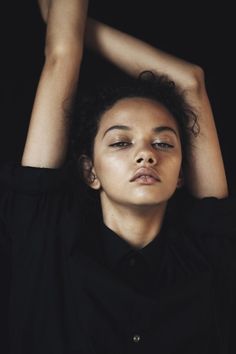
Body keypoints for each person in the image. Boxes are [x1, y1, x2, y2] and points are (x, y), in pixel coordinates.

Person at [0, 0, 235, 353]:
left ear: (183, 174)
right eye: (121, 142)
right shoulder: (44, 232)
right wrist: (65, 26)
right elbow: (62, 56)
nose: (146, 154)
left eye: (163, 142)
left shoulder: (209, 249)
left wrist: (77, 27)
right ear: (90, 171)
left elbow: (190, 84)